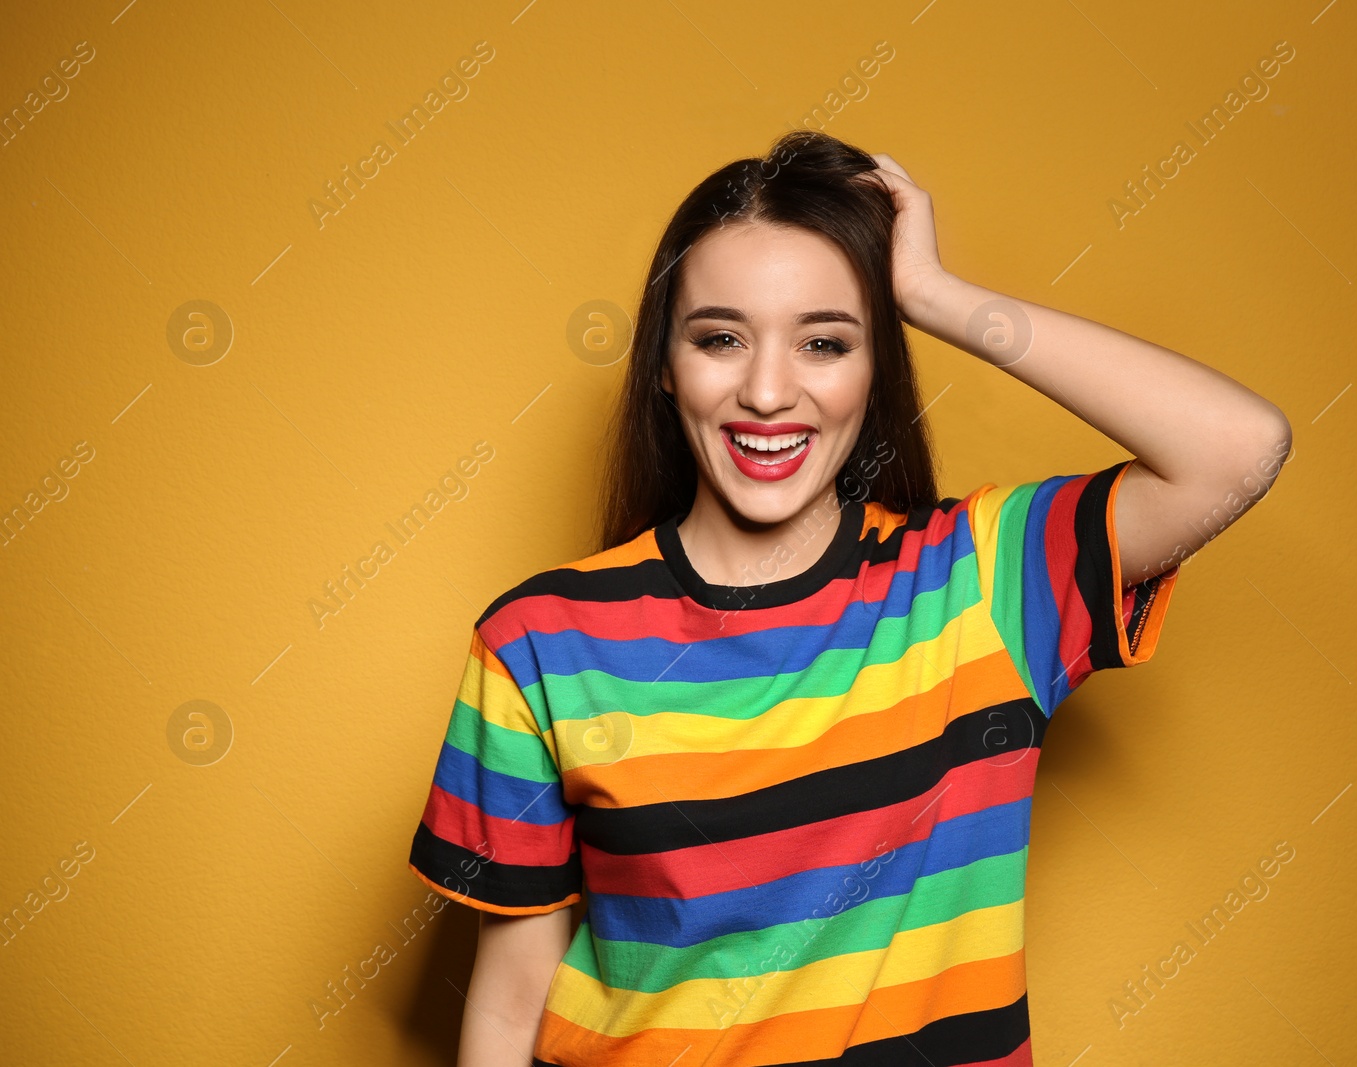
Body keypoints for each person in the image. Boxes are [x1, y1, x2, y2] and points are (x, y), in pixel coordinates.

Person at [407, 130, 1291, 1066]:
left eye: (826, 342)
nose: (768, 390)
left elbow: (1238, 449)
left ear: (877, 371)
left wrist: (935, 298)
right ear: (665, 366)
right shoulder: (540, 642)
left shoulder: (981, 583)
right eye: (720, 339)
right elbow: (509, 1009)